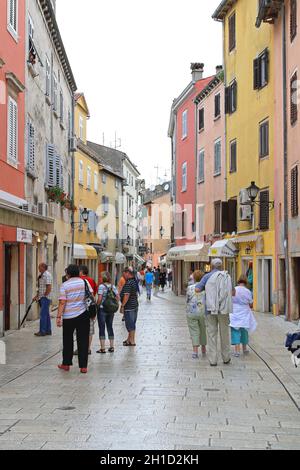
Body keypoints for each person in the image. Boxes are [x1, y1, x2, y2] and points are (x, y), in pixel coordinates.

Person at [57, 264, 93, 374]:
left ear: (68, 273)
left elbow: (62, 302)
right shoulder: (84, 282)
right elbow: (90, 295)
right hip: (83, 314)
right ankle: (83, 366)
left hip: (68, 316)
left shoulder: (65, 285)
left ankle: (66, 363)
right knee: (83, 340)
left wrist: (59, 316)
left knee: (67, 340)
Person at [196, 258, 232, 367]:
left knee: (212, 334)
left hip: (210, 309)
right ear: (221, 266)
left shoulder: (207, 277)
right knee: (224, 333)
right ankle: (226, 357)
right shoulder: (226, 276)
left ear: (211, 266)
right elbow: (232, 292)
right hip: (224, 309)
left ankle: (213, 360)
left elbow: (197, 289)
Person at [230, 275, 257, 357]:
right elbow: (251, 304)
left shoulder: (234, 289)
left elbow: (230, 299)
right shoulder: (248, 291)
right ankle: (244, 348)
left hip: (234, 311)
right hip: (244, 312)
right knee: (244, 330)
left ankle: (237, 350)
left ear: (238, 281)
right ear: (246, 282)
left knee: (235, 330)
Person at [73, 266, 97, 356]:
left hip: (79, 310)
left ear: (81, 272)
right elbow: (93, 294)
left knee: (79, 331)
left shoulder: (78, 281)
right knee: (89, 330)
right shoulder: (91, 280)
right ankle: (88, 348)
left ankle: (80, 348)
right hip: (88, 307)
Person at [97, 271, 120, 354]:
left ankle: (102, 348)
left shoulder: (101, 287)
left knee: (102, 328)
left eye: (100, 276)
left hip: (102, 309)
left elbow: (99, 299)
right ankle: (111, 346)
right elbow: (118, 297)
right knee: (110, 327)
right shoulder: (112, 286)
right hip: (111, 310)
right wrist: (114, 304)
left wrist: (97, 306)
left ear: (103, 278)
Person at [186, 271, 207, 359]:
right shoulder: (205, 288)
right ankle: (203, 348)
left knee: (194, 331)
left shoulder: (190, 288)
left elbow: (187, 299)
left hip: (191, 312)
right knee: (203, 329)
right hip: (203, 312)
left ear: (194, 278)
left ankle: (195, 351)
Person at [120, 268, 139, 347]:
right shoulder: (134, 281)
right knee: (132, 323)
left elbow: (126, 295)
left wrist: (122, 305)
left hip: (129, 306)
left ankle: (132, 341)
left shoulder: (128, 283)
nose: (123, 276)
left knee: (130, 324)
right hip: (134, 305)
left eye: (123, 274)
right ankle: (129, 339)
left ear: (127, 273)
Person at [34, 263, 52, 337]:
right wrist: (37, 296)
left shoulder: (47, 275)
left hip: (45, 298)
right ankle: (48, 330)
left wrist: (44, 295)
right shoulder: (42, 275)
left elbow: (49, 286)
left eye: (39, 267)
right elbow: (40, 287)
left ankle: (42, 331)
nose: (38, 268)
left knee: (43, 315)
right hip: (42, 297)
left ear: (43, 267)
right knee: (46, 315)